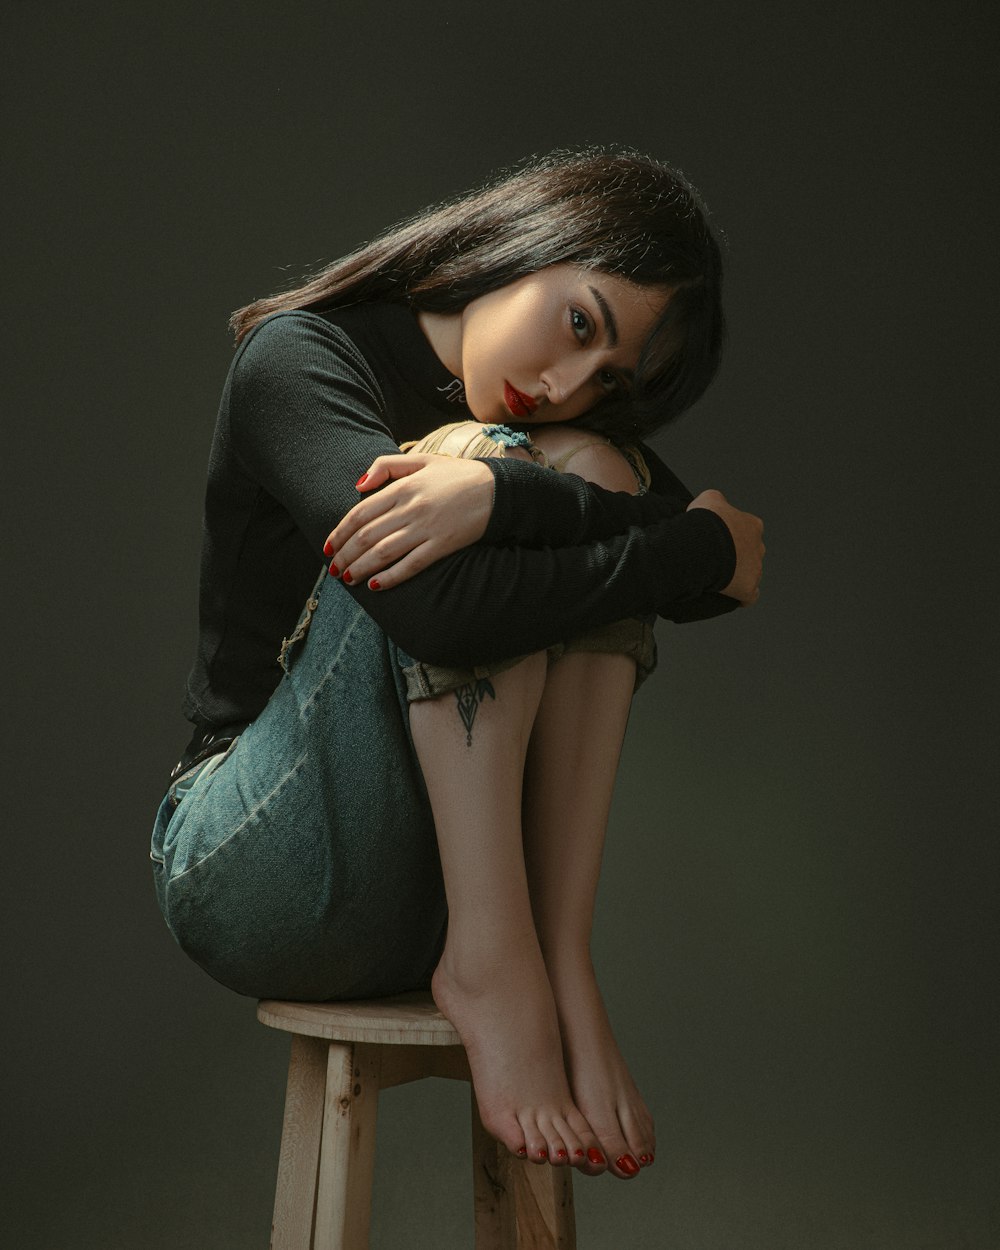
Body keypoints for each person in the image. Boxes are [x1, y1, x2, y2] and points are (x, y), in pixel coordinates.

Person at [150, 147, 765, 1183]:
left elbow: (710, 564)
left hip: (423, 886)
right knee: (483, 454)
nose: (564, 384)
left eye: (607, 380)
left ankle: (556, 953)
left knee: (586, 464)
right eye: (579, 324)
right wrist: (492, 484)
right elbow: (454, 610)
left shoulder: (564, 434)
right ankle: (495, 958)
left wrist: (504, 501)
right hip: (251, 864)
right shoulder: (299, 360)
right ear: (527, 240)